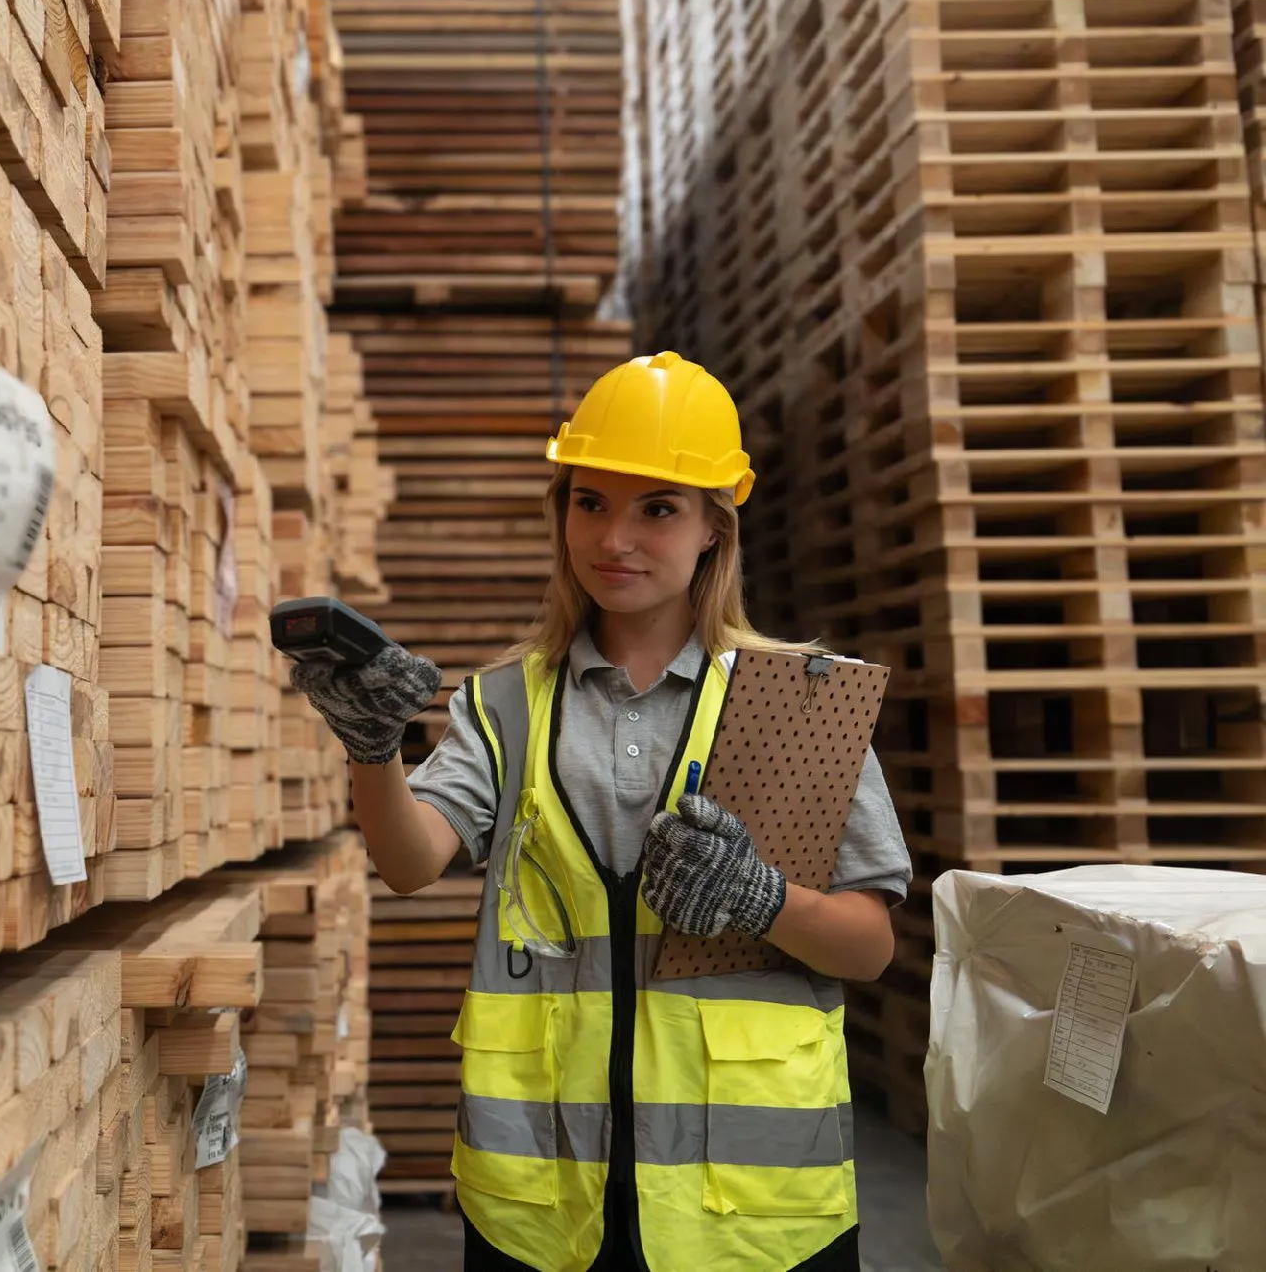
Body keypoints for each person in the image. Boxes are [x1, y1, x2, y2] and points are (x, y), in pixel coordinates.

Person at [289, 352, 913, 1272]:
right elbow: (410, 858)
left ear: (713, 528)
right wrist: (372, 748)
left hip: (752, 1220)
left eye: (657, 506)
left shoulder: (795, 702)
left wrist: (761, 898)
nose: (615, 535)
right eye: (591, 501)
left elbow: (870, 945)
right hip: (542, 1209)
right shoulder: (506, 701)